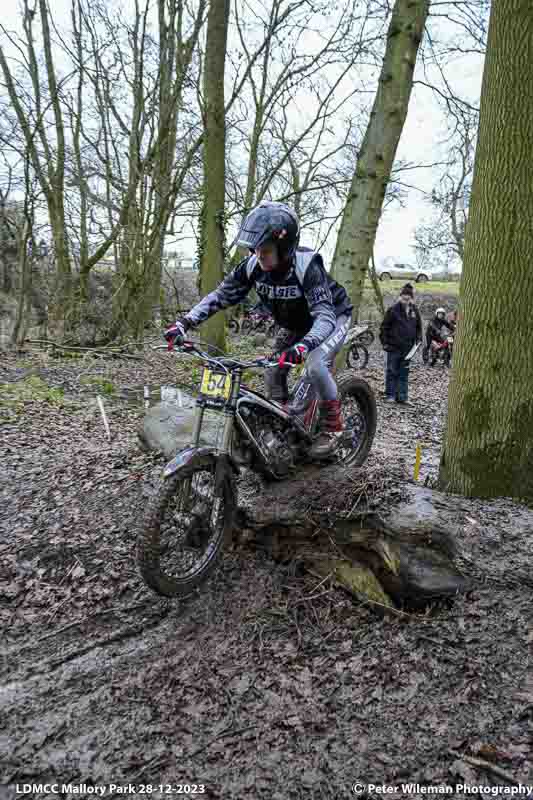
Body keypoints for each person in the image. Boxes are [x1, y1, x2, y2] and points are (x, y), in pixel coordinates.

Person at [164, 201, 353, 458]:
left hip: (332, 318)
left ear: (284, 248)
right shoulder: (252, 266)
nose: (258, 254)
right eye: (254, 248)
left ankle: (333, 427)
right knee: (273, 369)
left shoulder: (307, 267)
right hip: (296, 325)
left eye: (264, 249)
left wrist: (304, 346)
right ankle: (288, 426)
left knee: (316, 365)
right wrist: (184, 323)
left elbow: (325, 317)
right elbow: (221, 295)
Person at [379, 283, 422, 406]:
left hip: (409, 348)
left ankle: (402, 397)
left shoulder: (415, 310)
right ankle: (390, 395)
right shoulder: (392, 310)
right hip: (394, 347)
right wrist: (385, 343)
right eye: (404, 296)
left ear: (411, 298)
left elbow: (419, 327)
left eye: (408, 297)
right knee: (392, 371)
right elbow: (384, 328)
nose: (406, 299)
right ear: (400, 296)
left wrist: (419, 340)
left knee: (404, 372)